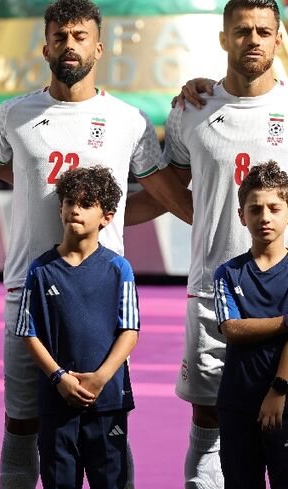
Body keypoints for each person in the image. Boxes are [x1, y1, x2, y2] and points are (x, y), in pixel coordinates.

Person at [0, 0, 191, 486]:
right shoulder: (14, 115)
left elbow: (169, 198)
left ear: (98, 47)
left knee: (108, 422)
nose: (69, 46)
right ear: (45, 46)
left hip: (102, 297)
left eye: (79, 37)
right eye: (60, 37)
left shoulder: (129, 120)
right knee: (22, 421)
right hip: (27, 290)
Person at [160, 1, 288, 485]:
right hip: (213, 293)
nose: (252, 40)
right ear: (223, 39)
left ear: (278, 39)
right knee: (209, 422)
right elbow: (165, 185)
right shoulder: (192, 110)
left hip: (284, 292)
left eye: (262, 31)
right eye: (241, 31)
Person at [17, 166, 139, 489]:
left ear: (107, 217)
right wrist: (58, 377)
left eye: (86, 204)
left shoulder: (119, 269)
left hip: (108, 399)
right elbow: (28, 333)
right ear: (59, 208)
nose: (75, 209)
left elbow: (130, 331)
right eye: (69, 201)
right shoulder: (40, 270)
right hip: (57, 401)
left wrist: (100, 378)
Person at [213, 161, 288, 489]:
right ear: (242, 216)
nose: (265, 217)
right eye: (255, 209)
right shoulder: (228, 273)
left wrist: (279, 389)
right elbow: (232, 329)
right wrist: (286, 322)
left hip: (284, 401)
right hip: (237, 403)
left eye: (274, 208)